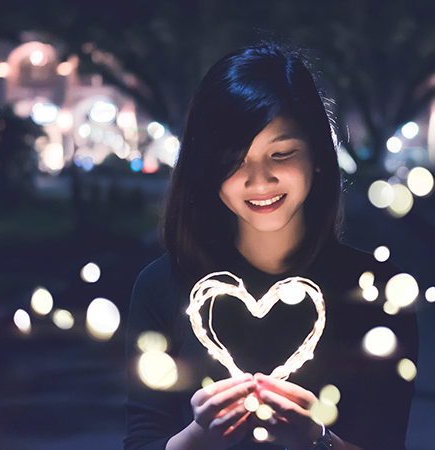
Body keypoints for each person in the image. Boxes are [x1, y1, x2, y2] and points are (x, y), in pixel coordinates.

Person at [125, 43, 418, 450]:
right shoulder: (162, 286)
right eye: (233, 159)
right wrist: (198, 439)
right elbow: (142, 438)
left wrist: (317, 440)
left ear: (317, 154)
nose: (258, 180)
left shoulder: (378, 291)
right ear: (206, 167)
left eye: (280, 153)